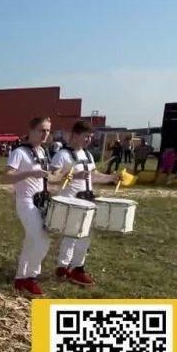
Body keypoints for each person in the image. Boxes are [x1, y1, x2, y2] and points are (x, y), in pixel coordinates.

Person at [50, 121, 120, 286]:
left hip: (87, 201)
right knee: (74, 234)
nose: (89, 140)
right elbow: (52, 177)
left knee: (82, 236)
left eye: (90, 137)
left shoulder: (88, 155)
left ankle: (66, 267)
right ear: (75, 135)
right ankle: (73, 268)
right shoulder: (62, 155)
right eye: (86, 136)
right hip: (71, 200)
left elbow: (93, 175)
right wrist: (74, 176)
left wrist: (111, 178)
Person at [2, 117, 58, 296]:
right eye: (41, 130)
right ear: (31, 130)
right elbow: (6, 177)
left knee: (31, 241)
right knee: (42, 240)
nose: (45, 134)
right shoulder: (20, 152)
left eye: (48, 131)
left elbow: (48, 177)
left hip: (42, 202)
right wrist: (29, 173)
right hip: (26, 201)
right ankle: (31, 278)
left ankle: (20, 278)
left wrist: (62, 176)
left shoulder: (43, 151)